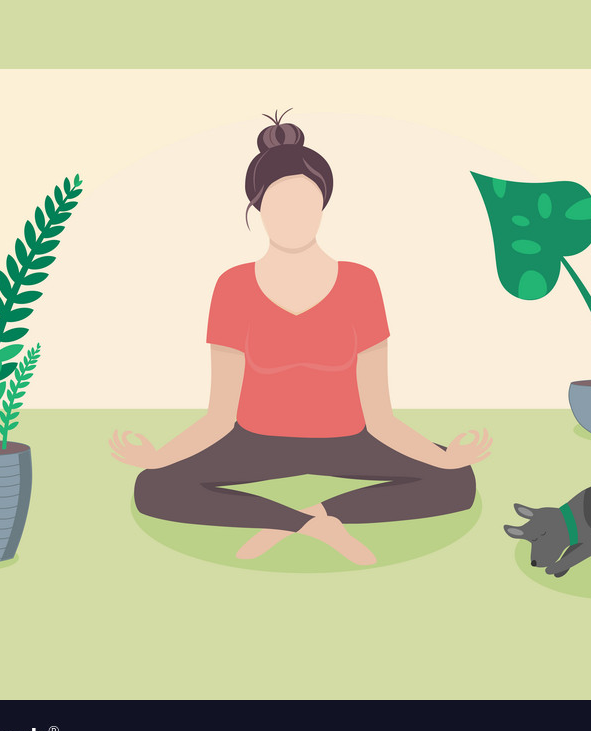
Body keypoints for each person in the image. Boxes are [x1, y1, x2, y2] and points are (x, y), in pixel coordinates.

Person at [110, 110, 491, 565]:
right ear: (258, 208)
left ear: (323, 207)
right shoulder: (233, 287)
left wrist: (445, 460)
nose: (295, 218)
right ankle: (302, 525)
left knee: (457, 482)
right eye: (279, 206)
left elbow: (381, 418)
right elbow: (218, 417)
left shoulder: (360, 283)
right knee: (155, 487)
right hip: (255, 441)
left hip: (350, 439)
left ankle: (322, 514)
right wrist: (158, 455)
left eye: (307, 205)